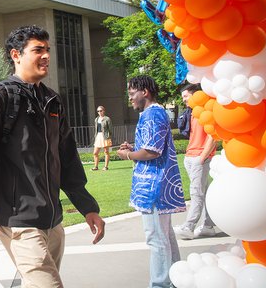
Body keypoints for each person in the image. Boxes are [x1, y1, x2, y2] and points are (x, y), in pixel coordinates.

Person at [0, 25, 105, 288]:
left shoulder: (52, 99)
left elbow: (67, 157)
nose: (46, 56)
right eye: (38, 50)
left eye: (47, 50)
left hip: (52, 221)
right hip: (18, 221)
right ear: (16, 54)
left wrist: (88, 207)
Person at [117, 75, 185, 288]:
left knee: (156, 238)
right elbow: (149, 147)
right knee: (164, 235)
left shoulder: (153, 115)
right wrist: (133, 149)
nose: (130, 99)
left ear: (144, 92)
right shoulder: (153, 113)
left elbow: (150, 152)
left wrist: (127, 155)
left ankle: (161, 284)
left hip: (153, 186)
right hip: (155, 184)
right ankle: (176, 278)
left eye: (132, 94)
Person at [174, 84, 217, 239]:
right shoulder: (191, 113)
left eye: (186, 96)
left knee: (196, 193)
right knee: (203, 193)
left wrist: (202, 157)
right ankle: (208, 226)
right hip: (191, 157)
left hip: (200, 158)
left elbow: (213, 135)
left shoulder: (206, 111)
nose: (183, 99)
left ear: (195, 95)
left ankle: (189, 226)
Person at [91, 105, 112, 171]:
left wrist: (109, 137)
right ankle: (96, 166)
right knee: (95, 153)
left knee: (106, 152)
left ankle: (106, 167)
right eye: (98, 111)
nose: (99, 112)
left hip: (105, 136)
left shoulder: (107, 119)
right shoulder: (96, 119)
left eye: (100, 111)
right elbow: (96, 129)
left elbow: (110, 129)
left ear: (103, 111)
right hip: (98, 136)